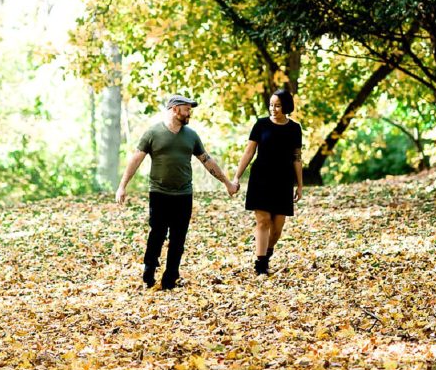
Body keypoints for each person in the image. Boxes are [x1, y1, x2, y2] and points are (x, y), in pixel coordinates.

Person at [115, 94, 236, 289]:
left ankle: (170, 277)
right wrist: (122, 186)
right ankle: (149, 267)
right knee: (158, 233)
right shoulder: (153, 133)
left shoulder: (191, 135)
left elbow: (206, 160)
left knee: (178, 237)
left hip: (184, 194)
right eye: (187, 109)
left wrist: (227, 182)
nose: (190, 113)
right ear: (175, 109)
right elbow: (136, 159)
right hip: (159, 193)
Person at [231, 89, 303, 274]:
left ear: (286, 106)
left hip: (283, 180)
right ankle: (261, 264)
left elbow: (297, 157)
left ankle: (268, 250)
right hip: (260, 177)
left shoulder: (294, 128)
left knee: (277, 227)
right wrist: (237, 176)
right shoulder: (261, 125)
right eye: (271, 105)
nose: (273, 109)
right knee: (263, 221)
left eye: (277, 105)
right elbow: (249, 152)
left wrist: (300, 185)